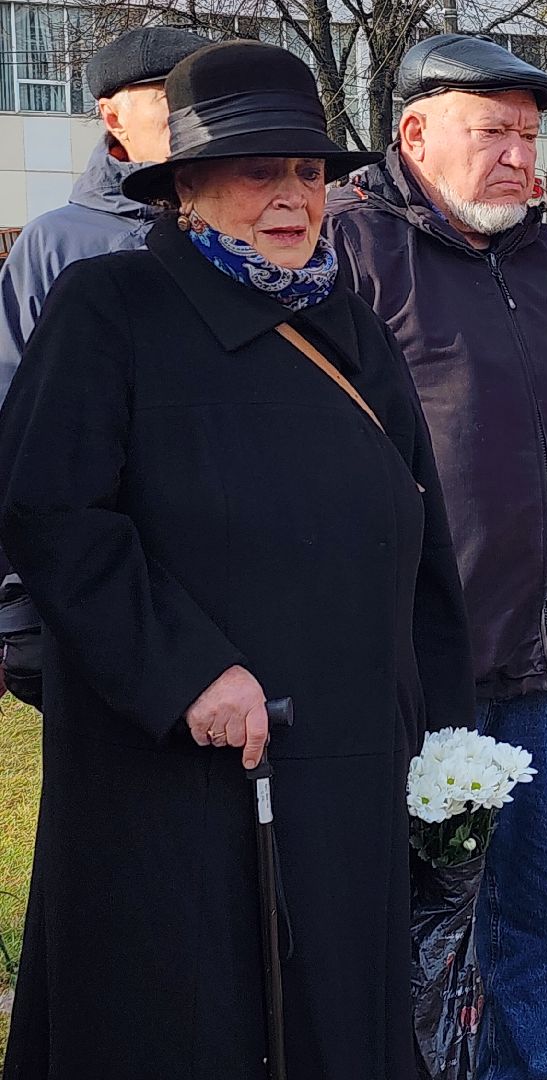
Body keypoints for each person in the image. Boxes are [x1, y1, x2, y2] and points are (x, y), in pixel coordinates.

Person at [0, 40, 472, 1079]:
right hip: (180, 765)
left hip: (350, 759)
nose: (294, 195)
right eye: (261, 170)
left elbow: (422, 544)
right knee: (193, 1015)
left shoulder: (353, 327)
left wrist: (443, 738)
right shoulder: (109, 308)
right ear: (188, 188)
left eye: (308, 171)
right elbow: (52, 513)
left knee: (340, 1017)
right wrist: (185, 672)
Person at [323, 33, 547, 1080]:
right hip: (411, 654)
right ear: (416, 133)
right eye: (494, 133)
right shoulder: (349, 254)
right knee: (411, 907)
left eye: (529, 135)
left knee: (543, 905)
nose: (520, 157)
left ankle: (534, 1070)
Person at [0, 24, 211, 709]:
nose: (189, 120)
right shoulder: (59, 243)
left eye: (200, 100)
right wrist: (18, 605)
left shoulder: (242, 225)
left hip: (227, 570)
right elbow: (16, 424)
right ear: (112, 115)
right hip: (99, 580)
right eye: (168, 102)